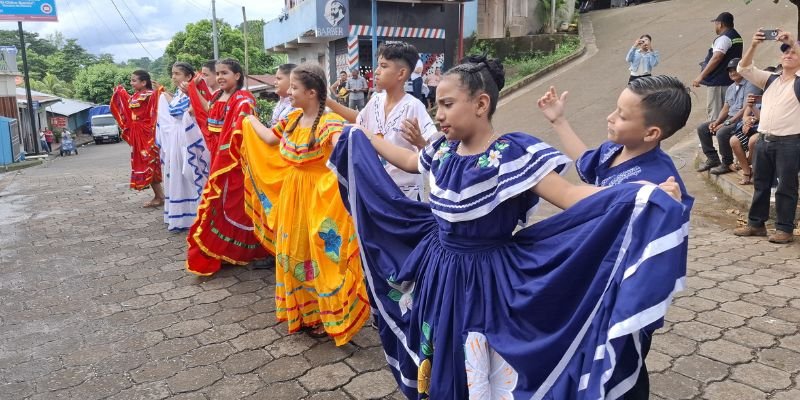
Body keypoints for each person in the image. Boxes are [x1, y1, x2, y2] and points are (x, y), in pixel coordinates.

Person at [330, 55, 688, 399]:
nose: (438, 115)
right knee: (440, 348)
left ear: (481, 104)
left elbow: (569, 194)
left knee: (475, 359)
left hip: (486, 283)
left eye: (447, 104)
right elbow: (410, 160)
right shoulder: (442, 151)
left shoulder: (511, 154)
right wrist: (361, 135)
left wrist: (643, 192)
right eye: (436, 105)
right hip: (438, 272)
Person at [537, 75, 693, 399]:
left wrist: (667, 207)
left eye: (622, 115)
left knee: (618, 359)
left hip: (618, 289)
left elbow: (666, 230)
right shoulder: (615, 151)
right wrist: (559, 120)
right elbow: (587, 166)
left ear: (652, 133)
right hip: (591, 273)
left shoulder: (660, 182)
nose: (610, 117)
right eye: (615, 109)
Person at [240, 63, 369, 343]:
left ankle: (326, 314)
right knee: (294, 250)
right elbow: (267, 138)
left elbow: (341, 146)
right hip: (293, 195)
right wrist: (249, 121)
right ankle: (303, 312)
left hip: (319, 198)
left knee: (321, 254)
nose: (289, 93)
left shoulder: (328, 122)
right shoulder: (294, 118)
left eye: (295, 88)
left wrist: (345, 141)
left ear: (311, 92)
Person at [326, 42, 440, 201]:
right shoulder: (375, 100)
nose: (377, 71)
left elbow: (433, 149)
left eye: (383, 66)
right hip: (376, 188)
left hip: (406, 194)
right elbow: (359, 119)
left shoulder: (414, 106)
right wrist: (328, 102)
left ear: (401, 74)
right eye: (378, 65)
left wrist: (419, 141)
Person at [185, 59, 267, 275]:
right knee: (220, 206)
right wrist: (192, 91)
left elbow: (240, 131)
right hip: (218, 158)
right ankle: (225, 251)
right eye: (218, 73)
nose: (220, 77)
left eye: (225, 73)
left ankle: (248, 252)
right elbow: (208, 113)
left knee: (236, 207)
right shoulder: (215, 96)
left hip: (235, 161)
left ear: (237, 76)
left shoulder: (243, 100)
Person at [733, 31, 800, 244]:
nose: (788, 55)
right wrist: (753, 45)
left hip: (790, 141)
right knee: (761, 183)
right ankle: (756, 224)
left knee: (786, 186)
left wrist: (791, 41)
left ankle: (784, 229)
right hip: (764, 139)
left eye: (793, 53)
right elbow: (743, 68)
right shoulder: (771, 80)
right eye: (785, 52)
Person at [154, 62, 210, 231]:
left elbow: (188, 111)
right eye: (173, 73)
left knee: (190, 172)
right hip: (176, 136)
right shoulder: (179, 93)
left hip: (189, 135)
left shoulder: (195, 93)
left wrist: (188, 93)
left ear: (188, 77)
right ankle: (181, 215)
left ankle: (194, 215)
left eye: (177, 74)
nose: (174, 77)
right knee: (177, 173)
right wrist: (165, 94)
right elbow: (174, 108)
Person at [695, 57, 761, 175]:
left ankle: (726, 163)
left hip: (742, 120)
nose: (732, 73)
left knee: (722, 132)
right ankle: (713, 159)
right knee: (703, 128)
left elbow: (745, 108)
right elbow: (726, 108)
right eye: (730, 71)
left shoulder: (751, 84)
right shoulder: (731, 88)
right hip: (730, 118)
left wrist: (727, 123)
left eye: (735, 69)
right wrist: (717, 122)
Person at [110, 70, 165, 208]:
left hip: (147, 133)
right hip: (138, 133)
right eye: (131, 80)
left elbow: (156, 109)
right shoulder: (136, 96)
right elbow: (129, 106)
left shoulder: (150, 95)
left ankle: (160, 196)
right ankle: (159, 196)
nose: (131, 83)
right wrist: (120, 92)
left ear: (143, 82)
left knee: (149, 162)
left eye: (134, 80)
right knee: (145, 162)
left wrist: (160, 91)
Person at [692, 12, 743, 121]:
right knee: (729, 114)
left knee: (715, 116)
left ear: (720, 24)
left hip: (718, 83)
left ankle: (716, 136)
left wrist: (700, 76)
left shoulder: (724, 38)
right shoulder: (736, 36)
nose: (715, 26)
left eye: (715, 24)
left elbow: (716, 58)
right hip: (729, 80)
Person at [730, 92, 762, 185]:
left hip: (764, 128)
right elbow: (745, 116)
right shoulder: (756, 96)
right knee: (734, 140)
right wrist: (747, 122)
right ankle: (747, 171)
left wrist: (753, 119)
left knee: (753, 141)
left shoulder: (772, 97)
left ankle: (748, 161)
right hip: (752, 128)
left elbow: (765, 118)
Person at [269, 63, 297, 128]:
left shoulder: (297, 105)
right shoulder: (280, 102)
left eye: (279, 79)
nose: (275, 82)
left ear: (291, 81)